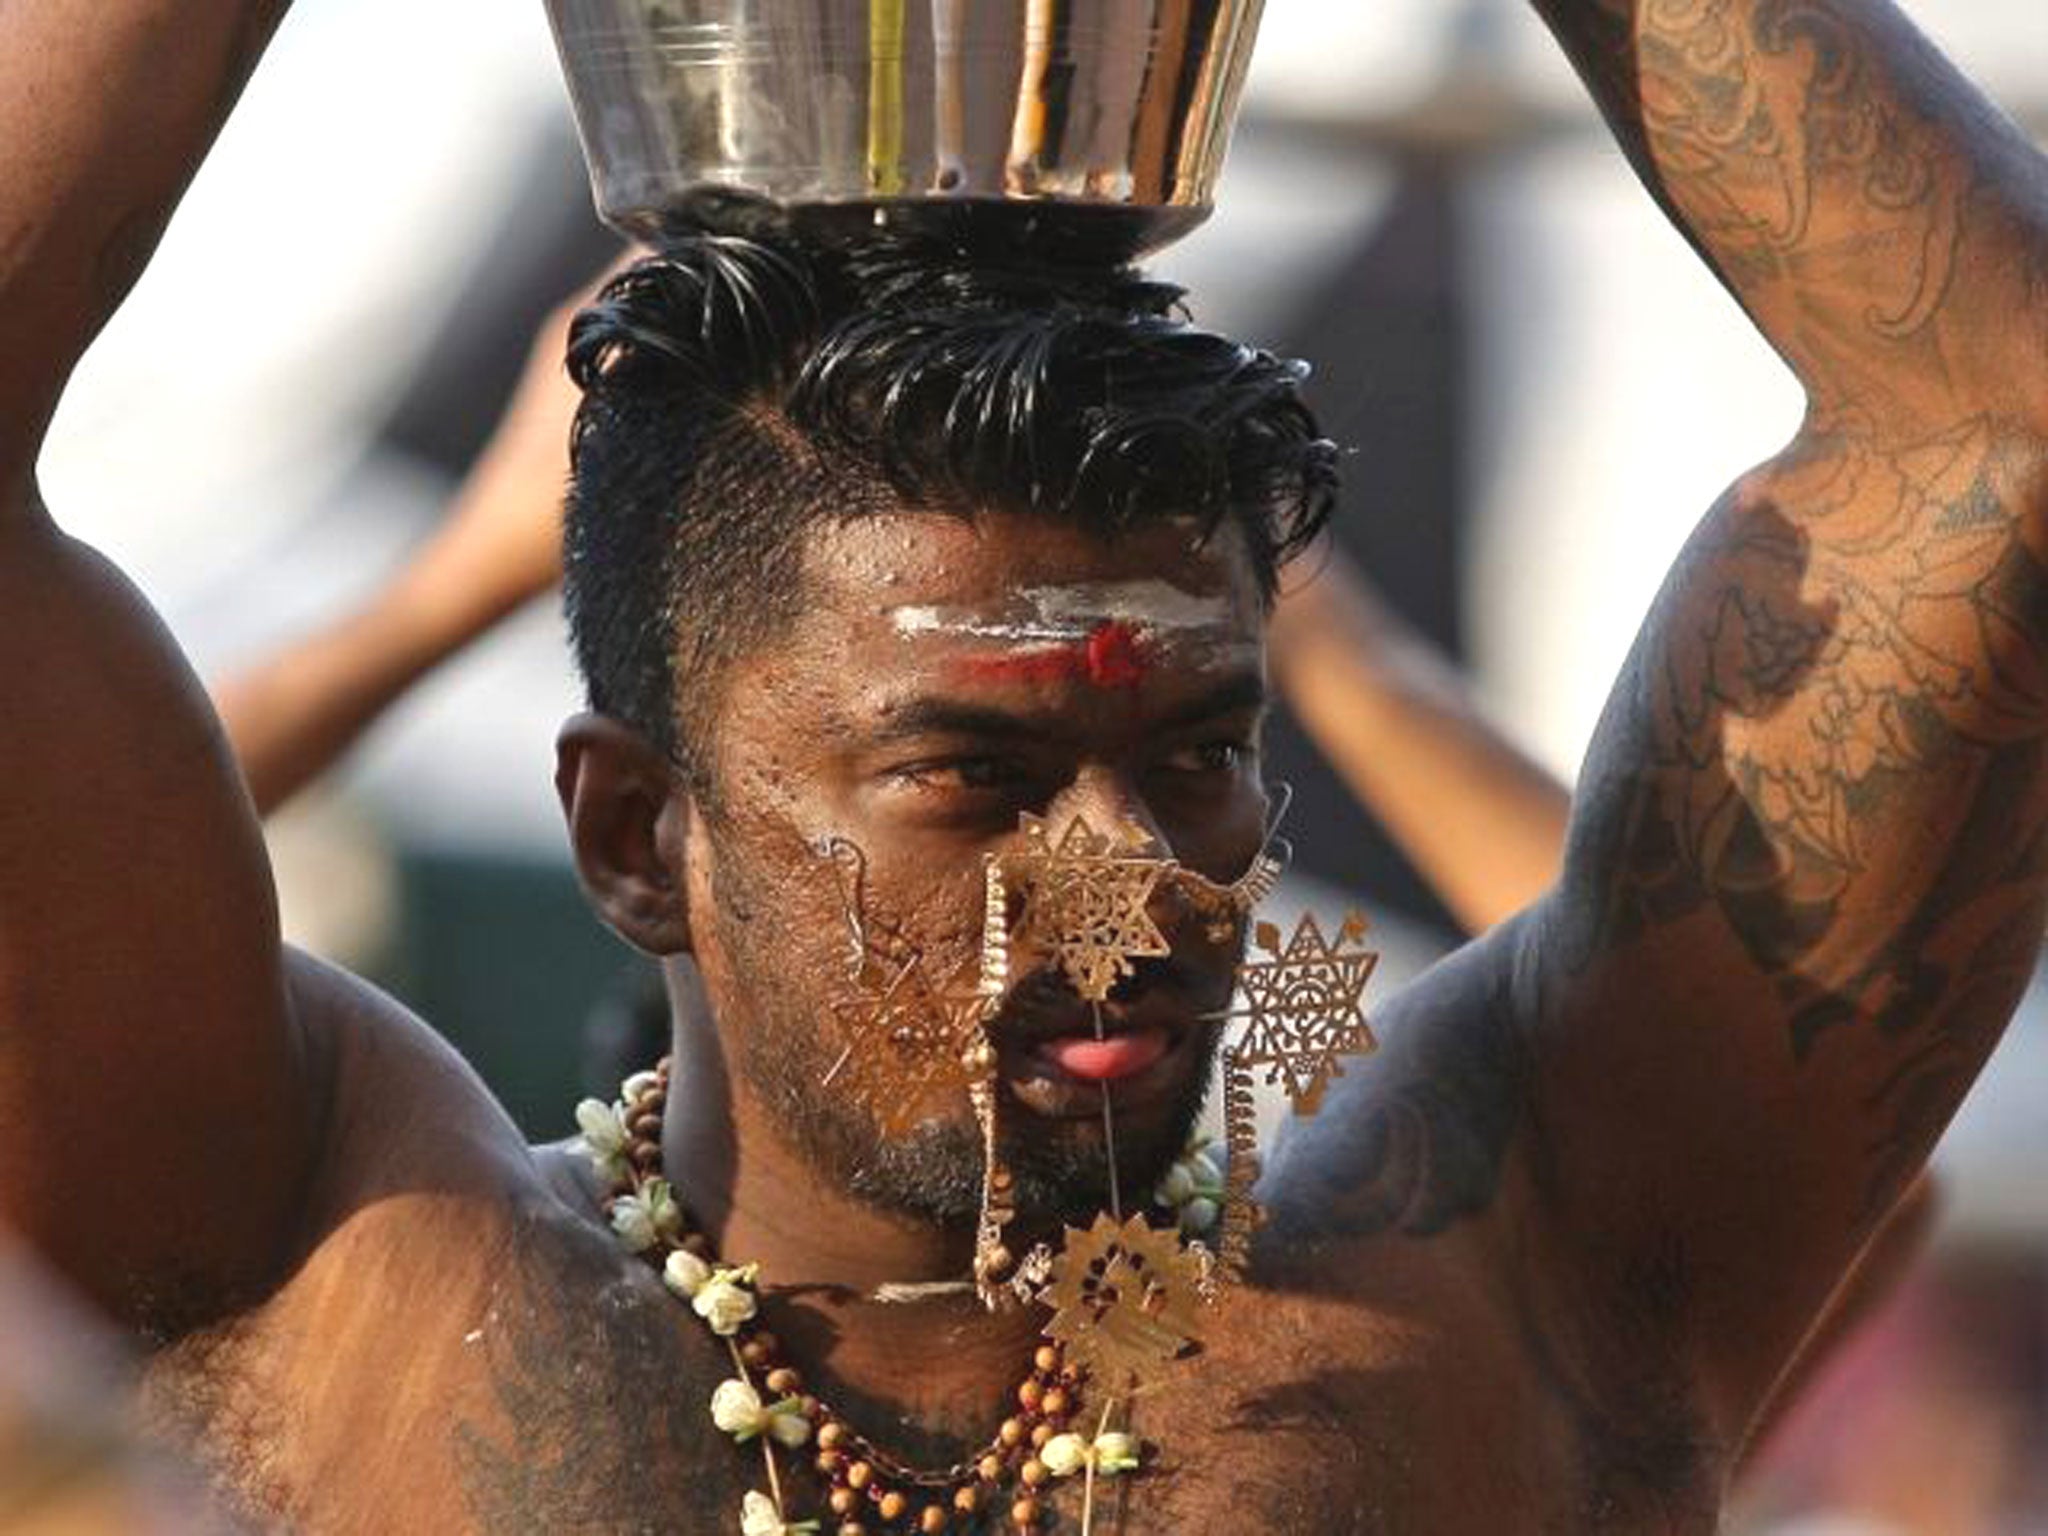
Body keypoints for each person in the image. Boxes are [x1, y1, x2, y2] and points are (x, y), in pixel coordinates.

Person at [4, 3, 2043, 1534]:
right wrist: (416, 610)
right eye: (974, 778)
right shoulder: (321, 1270)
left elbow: (1986, 432)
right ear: (636, 836)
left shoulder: (1496, 1296)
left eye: (1200, 752)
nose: (1131, 878)